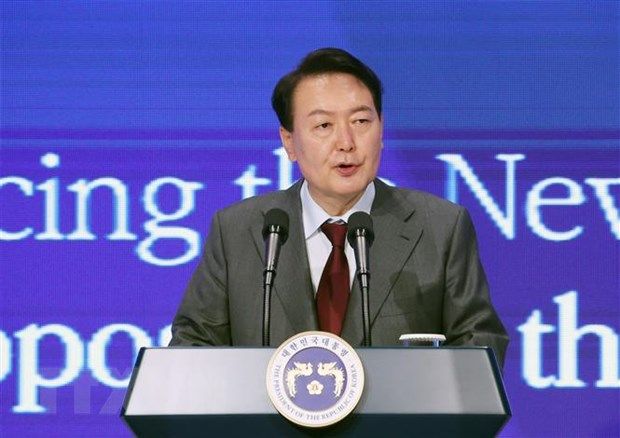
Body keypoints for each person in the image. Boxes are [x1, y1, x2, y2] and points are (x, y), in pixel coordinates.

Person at [169, 48, 509, 367]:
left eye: (361, 122)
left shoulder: (440, 227)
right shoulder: (238, 231)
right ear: (289, 141)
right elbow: (192, 348)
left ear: (381, 128)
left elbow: (480, 344)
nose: (346, 143)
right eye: (323, 126)